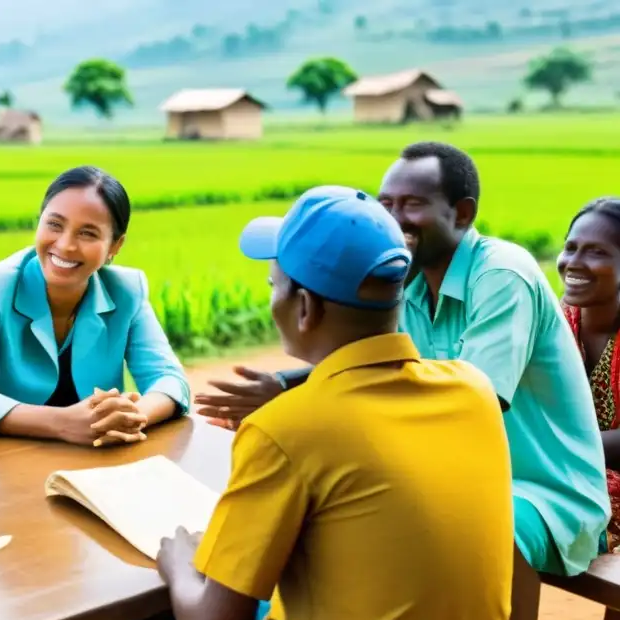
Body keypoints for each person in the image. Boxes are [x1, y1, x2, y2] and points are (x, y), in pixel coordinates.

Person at [59, 186, 515, 620]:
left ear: (303, 307)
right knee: (259, 616)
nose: (271, 298)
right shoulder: (471, 389)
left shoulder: (288, 427)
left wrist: (178, 561)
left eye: (274, 284)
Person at [196, 141, 611, 578]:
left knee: (471, 528)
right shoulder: (406, 280)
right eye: (386, 204)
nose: (395, 219)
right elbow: (375, 367)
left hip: (546, 493)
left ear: (463, 214)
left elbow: (475, 402)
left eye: (413, 204)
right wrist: (284, 388)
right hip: (463, 475)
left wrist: (310, 417)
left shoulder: (502, 273)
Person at [0, 166, 189, 445]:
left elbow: (169, 379)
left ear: (115, 245)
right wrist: (66, 424)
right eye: (54, 224)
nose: (66, 245)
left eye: (88, 233)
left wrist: (133, 416)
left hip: (50, 457)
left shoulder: (127, 291)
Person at [557, 197, 620, 552]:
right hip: (573, 470)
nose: (574, 263)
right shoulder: (553, 323)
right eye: (570, 248)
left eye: (596, 252)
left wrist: (553, 448)